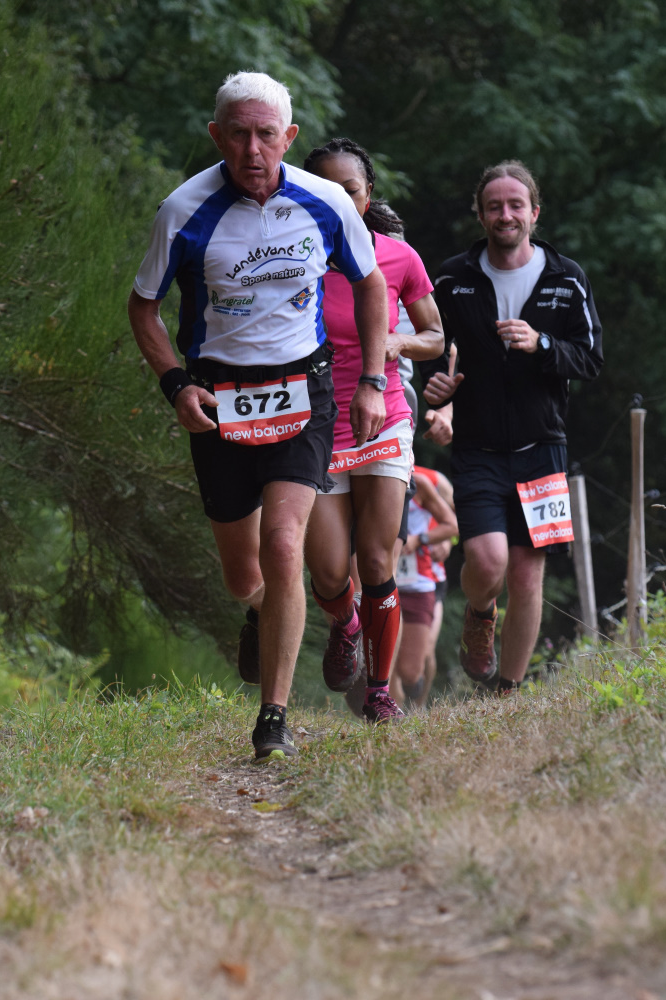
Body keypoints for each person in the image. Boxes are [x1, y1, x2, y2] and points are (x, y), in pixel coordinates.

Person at [128, 73, 389, 758]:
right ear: (217, 136)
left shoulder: (326, 201)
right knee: (245, 578)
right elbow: (143, 307)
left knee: (283, 545)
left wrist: (370, 379)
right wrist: (176, 386)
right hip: (219, 399)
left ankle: (274, 717)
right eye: (238, 135)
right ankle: (262, 613)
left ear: (289, 137)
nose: (252, 150)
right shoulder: (184, 210)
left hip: (304, 389)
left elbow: (370, 282)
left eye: (266, 135)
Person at [421, 160, 603, 693]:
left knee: (527, 575)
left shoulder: (566, 277)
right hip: (476, 448)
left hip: (542, 447)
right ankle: (480, 613)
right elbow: (427, 346)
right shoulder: (452, 278)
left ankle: (508, 691)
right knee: (487, 560)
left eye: (515, 205)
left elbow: (590, 358)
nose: (506, 214)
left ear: (534, 213)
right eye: (495, 206)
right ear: (480, 215)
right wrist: (435, 391)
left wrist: (541, 343)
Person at [298, 138, 443, 723]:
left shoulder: (399, 257)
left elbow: (435, 337)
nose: (339, 201)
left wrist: (398, 341)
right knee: (330, 571)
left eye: (350, 190)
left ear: (368, 195)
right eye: (325, 191)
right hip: (314, 424)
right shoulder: (292, 257)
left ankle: (380, 693)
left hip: (384, 417)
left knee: (377, 561)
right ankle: (346, 624)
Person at [389, 466, 456, 709]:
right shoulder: (368, 469)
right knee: (389, 655)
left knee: (423, 654)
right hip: (387, 581)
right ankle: (391, 710)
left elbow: (455, 520)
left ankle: (420, 705)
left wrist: (447, 543)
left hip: (426, 579)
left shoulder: (434, 480)